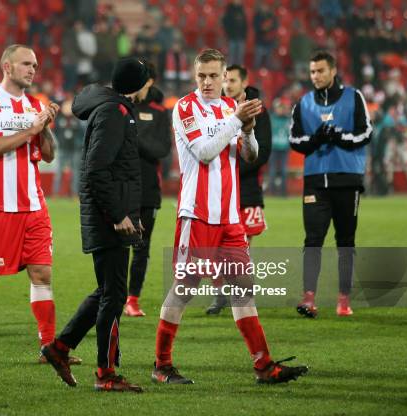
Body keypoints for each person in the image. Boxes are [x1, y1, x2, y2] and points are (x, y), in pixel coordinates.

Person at [152, 48, 308, 385]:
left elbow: (248, 156)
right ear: (195, 77)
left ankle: (264, 364)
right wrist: (237, 120)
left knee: (243, 287)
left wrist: (248, 129)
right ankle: (161, 365)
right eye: (201, 76)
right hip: (196, 215)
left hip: (229, 218)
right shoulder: (185, 108)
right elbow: (204, 153)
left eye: (213, 76)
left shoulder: (227, 108)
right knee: (185, 288)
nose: (207, 82)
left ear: (226, 78)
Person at [0, 44, 81, 367]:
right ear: (7, 66)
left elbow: (47, 154)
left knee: (42, 274)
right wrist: (31, 128)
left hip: (34, 205)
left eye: (35, 65)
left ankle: (49, 348)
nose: (32, 70)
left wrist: (45, 127)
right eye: (26, 64)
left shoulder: (35, 104)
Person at [41, 57, 149, 392]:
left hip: (109, 216)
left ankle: (60, 348)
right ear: (139, 84)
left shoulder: (112, 110)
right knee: (114, 297)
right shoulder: (113, 114)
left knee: (106, 292)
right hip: (108, 220)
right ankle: (106, 373)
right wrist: (119, 215)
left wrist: (130, 212)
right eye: (147, 81)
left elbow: (114, 171)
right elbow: (97, 171)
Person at [290, 51, 372, 318]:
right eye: (313, 72)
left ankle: (343, 300)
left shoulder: (354, 97)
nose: (316, 76)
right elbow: (295, 140)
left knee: (345, 241)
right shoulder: (303, 104)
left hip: (347, 179)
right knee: (312, 240)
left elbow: (366, 132)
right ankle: (308, 299)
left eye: (321, 71)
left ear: (333, 70)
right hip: (315, 181)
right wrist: (315, 139)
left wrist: (339, 136)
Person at [206, 64, 272, 315]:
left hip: (246, 190)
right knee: (215, 247)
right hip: (218, 190)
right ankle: (221, 293)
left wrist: (230, 169)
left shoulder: (257, 109)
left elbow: (262, 152)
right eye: (226, 80)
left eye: (233, 80)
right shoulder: (215, 110)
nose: (228, 84)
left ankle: (239, 295)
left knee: (241, 247)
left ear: (244, 82)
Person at [124, 62, 171, 317]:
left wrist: (133, 137)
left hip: (148, 189)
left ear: (150, 81)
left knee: (141, 246)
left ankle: (133, 299)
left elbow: (162, 150)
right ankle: (113, 295)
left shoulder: (160, 112)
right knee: (117, 246)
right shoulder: (121, 107)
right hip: (121, 188)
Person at [51, 94, 85, 197]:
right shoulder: (58, 120)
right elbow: (54, 132)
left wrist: (79, 144)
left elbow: (82, 133)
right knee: (58, 172)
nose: (68, 108)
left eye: (70, 106)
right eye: (66, 106)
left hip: (75, 150)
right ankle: (55, 193)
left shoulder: (78, 120)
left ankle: (74, 193)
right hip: (62, 149)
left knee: (75, 173)